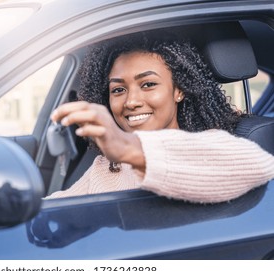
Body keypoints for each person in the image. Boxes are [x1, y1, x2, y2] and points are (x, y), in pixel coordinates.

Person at [47, 31, 274, 203]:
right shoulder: (107, 167)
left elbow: (258, 164)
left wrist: (129, 148)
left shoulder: (207, 147)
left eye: (148, 84)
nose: (131, 101)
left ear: (179, 90)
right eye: (118, 90)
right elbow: (58, 207)